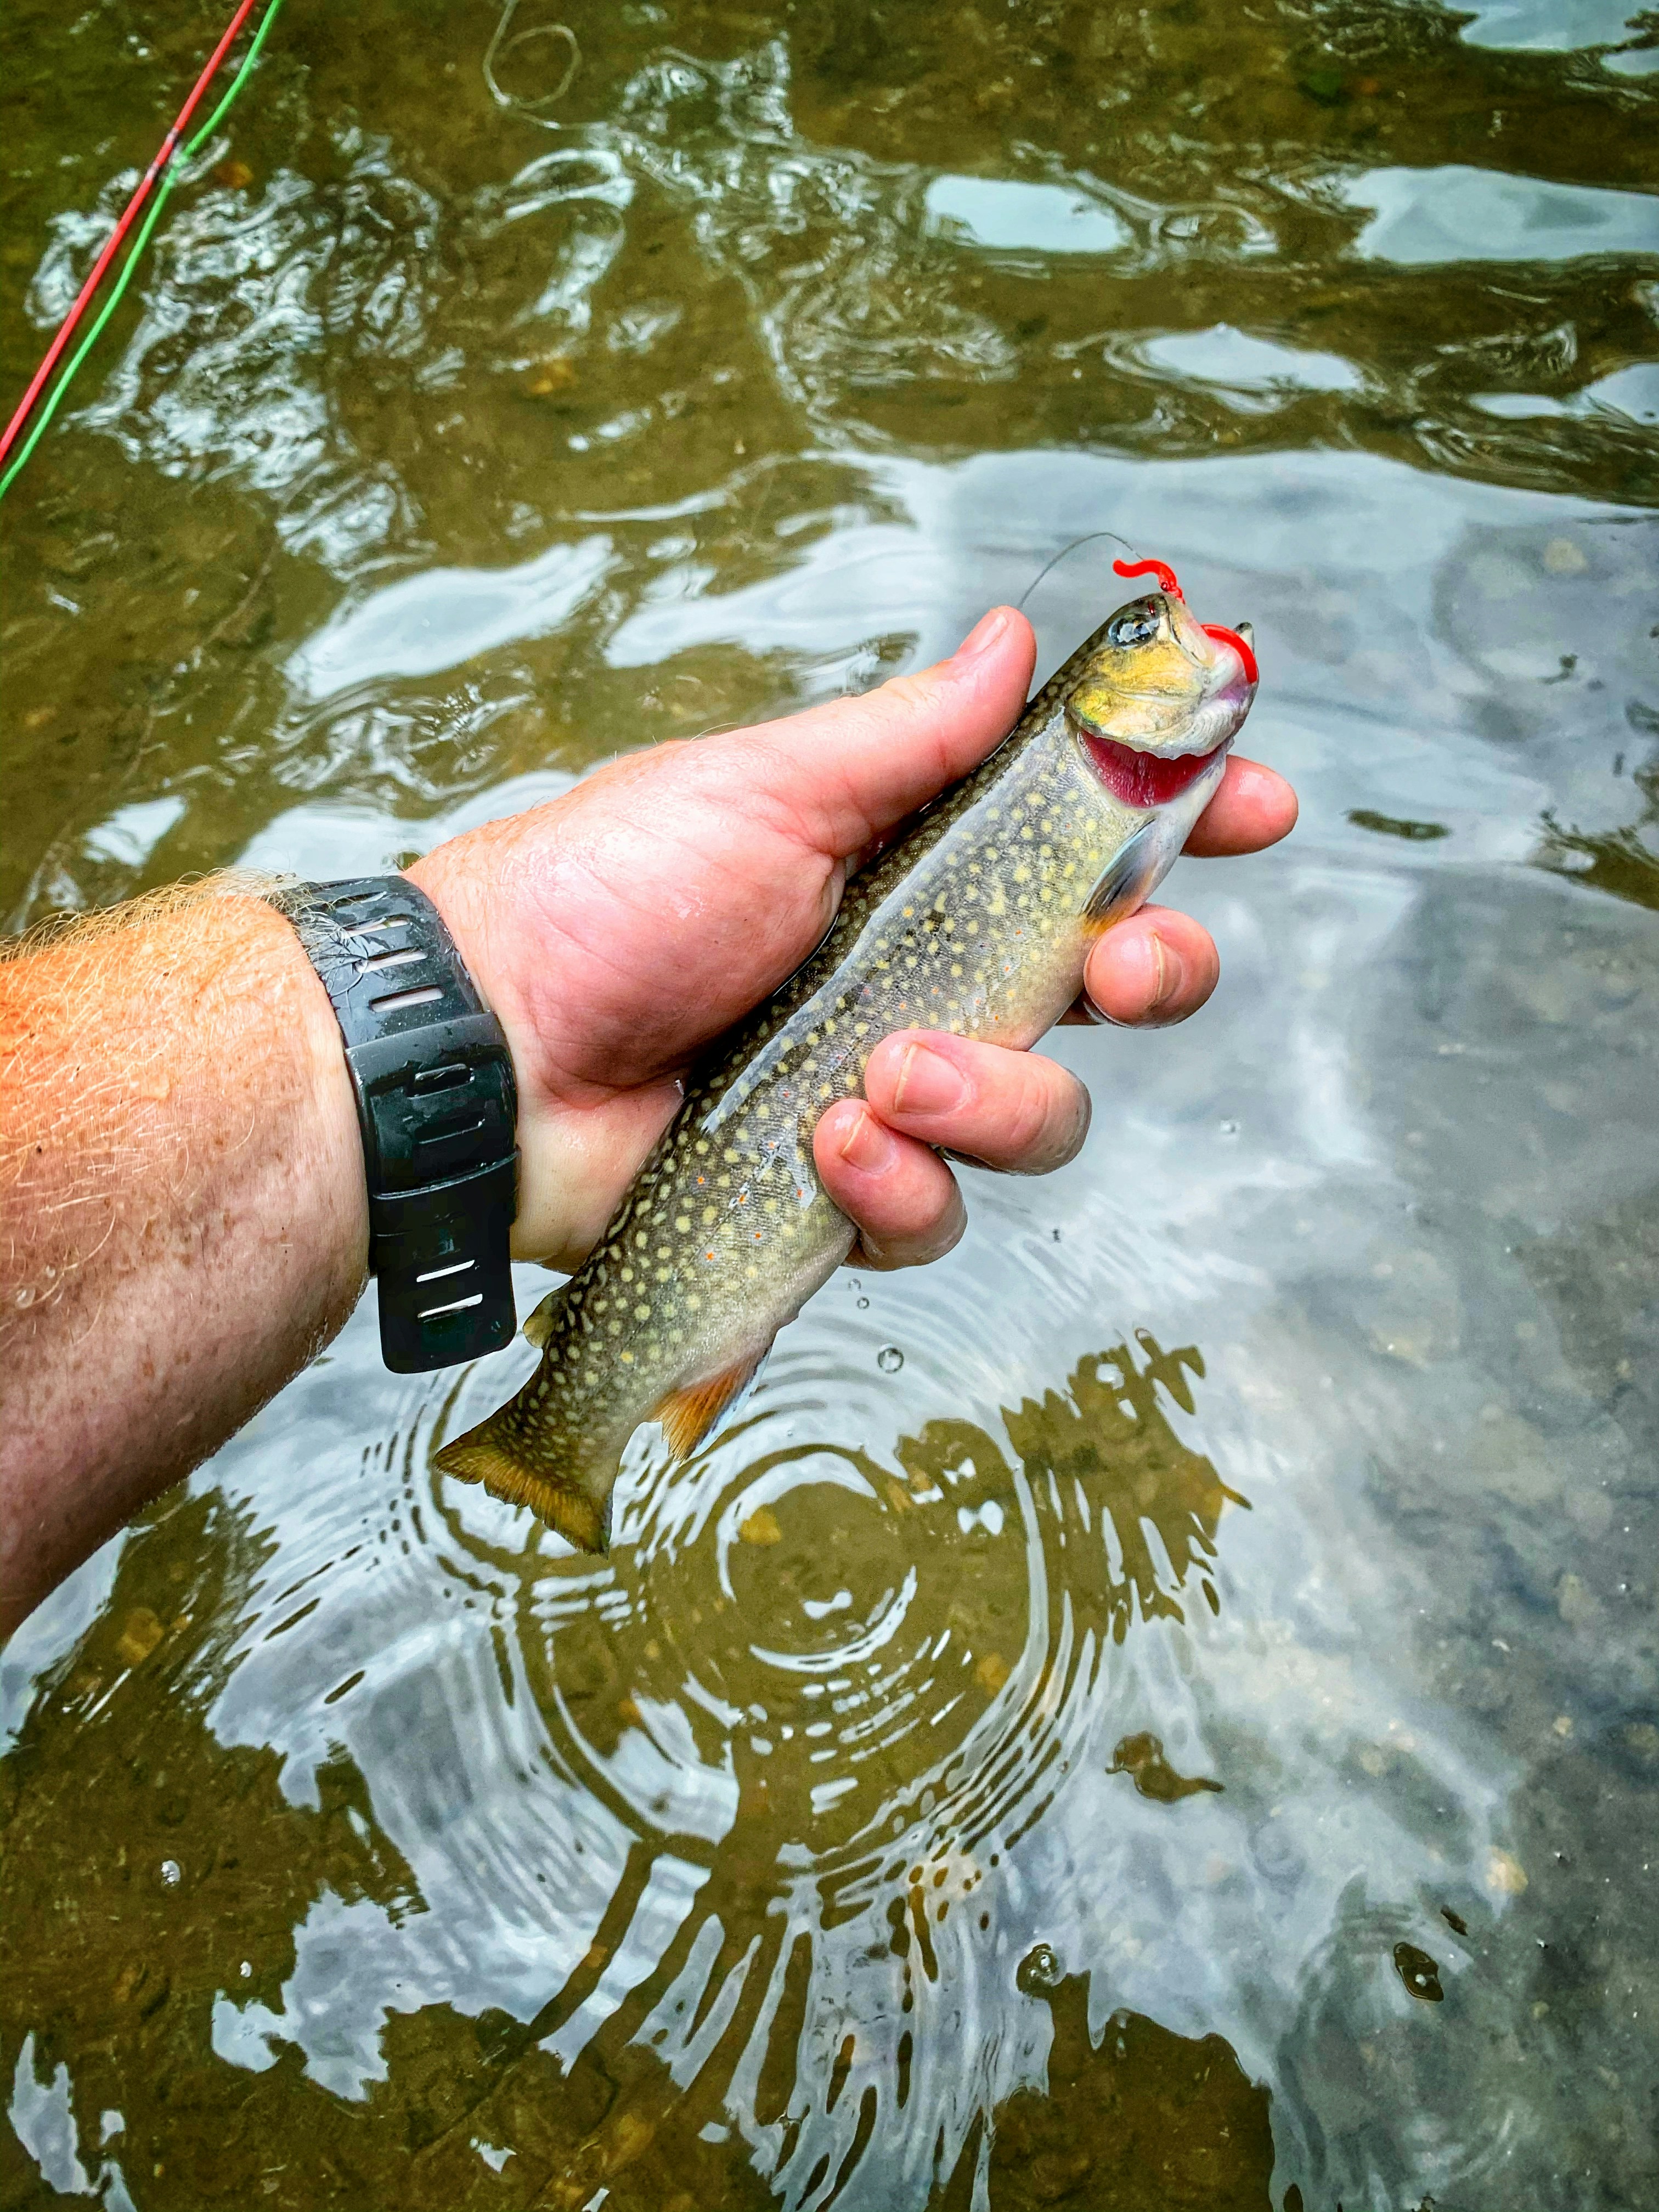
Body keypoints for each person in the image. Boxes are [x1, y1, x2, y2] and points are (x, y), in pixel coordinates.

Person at [0, 607, 1295, 1637]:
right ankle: (567, 1437)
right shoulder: (1093, 788)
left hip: (716, 1112)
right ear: (1099, 705)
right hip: (739, 1100)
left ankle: (582, 1418)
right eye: (1134, 638)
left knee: (861, 1157)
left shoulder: (1097, 786)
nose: (1165, 637)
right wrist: (487, 1008)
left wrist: (474, 1029)